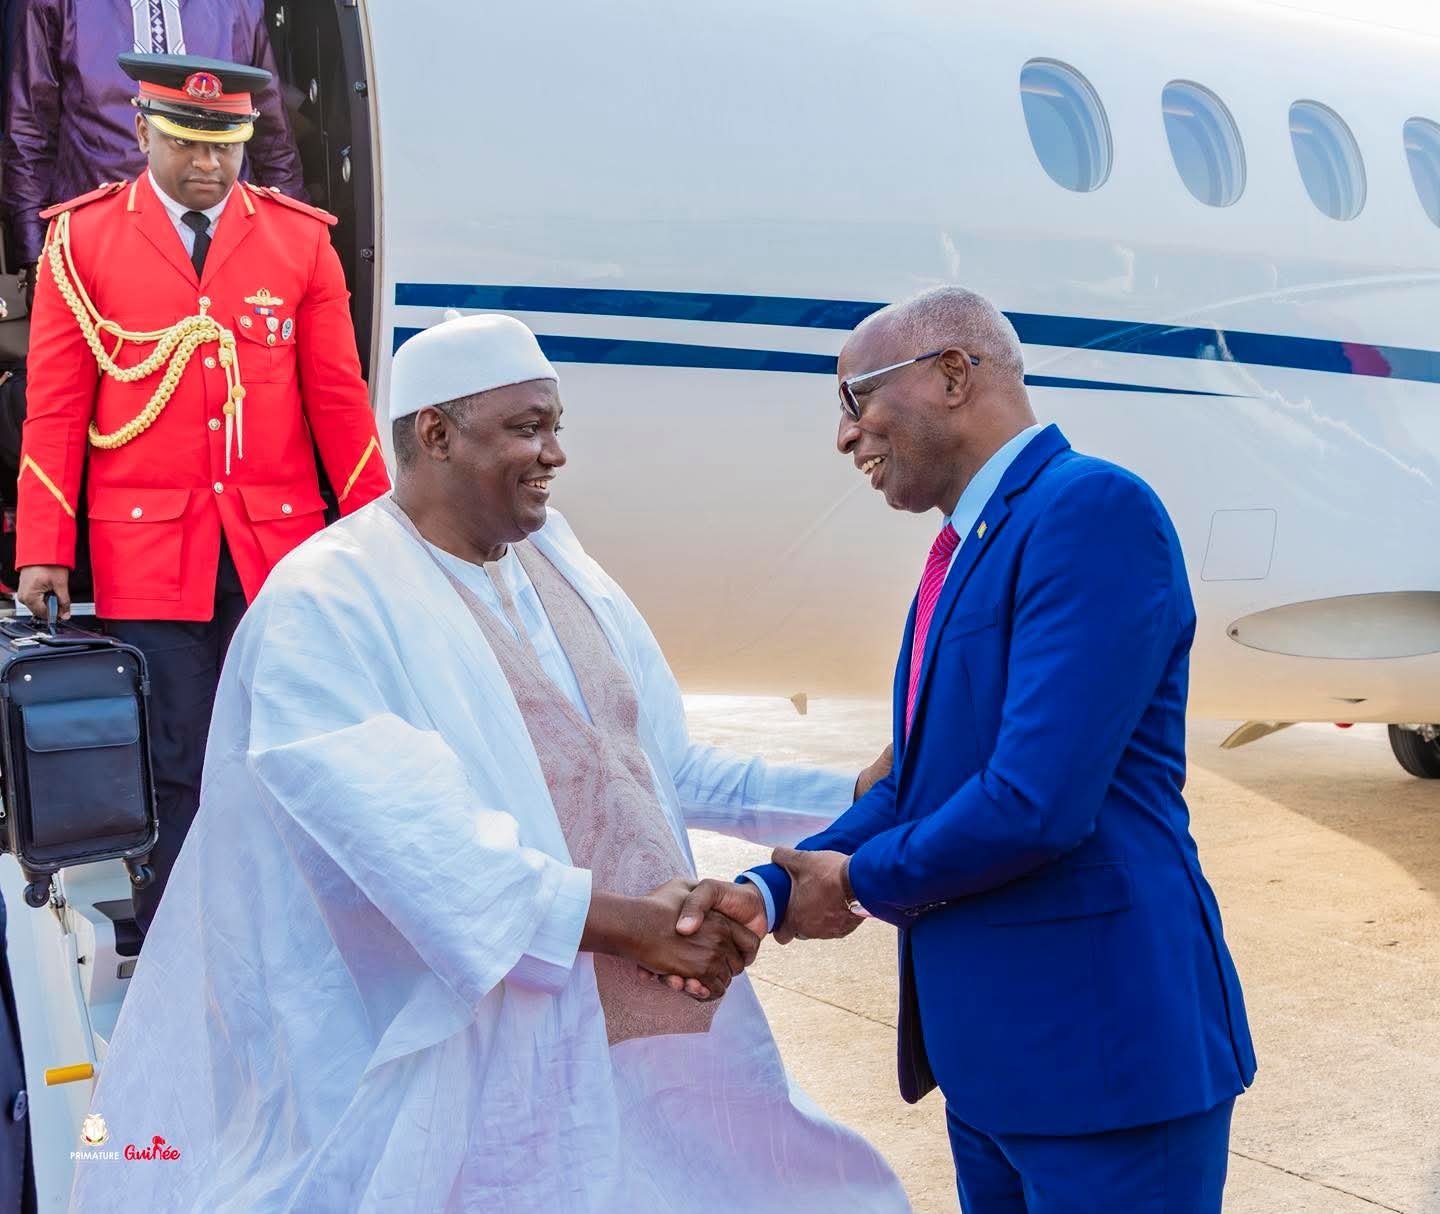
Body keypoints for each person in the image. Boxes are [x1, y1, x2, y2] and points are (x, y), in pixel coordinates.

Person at [68, 313, 908, 1213]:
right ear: (434, 433)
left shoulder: (556, 558)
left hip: (632, 1003)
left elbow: (652, 763)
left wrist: (844, 795)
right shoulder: (328, 600)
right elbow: (412, 843)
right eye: (527, 428)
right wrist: (626, 921)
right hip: (442, 1034)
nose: (554, 454)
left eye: (556, 427)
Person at [682, 286, 1257, 1212]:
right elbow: (914, 783)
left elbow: (1034, 803)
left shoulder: (1091, 510)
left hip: (1105, 1059)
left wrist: (857, 883)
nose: (845, 437)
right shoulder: (963, 546)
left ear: (954, 373)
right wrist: (771, 888)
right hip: (995, 1065)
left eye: (855, 399)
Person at [14, 53, 390, 933]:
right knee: (177, 749)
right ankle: (184, 930)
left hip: (278, 551)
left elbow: (339, 402)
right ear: (142, 131)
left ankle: (291, 922)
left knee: (287, 742)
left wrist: (378, 535)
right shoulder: (85, 239)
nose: (208, 166)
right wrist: (42, 550)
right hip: (149, 551)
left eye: (227, 146)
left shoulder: (299, 240)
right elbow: (57, 412)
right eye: (186, 144)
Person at [2, 0, 303, 290]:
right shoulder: (56, 3)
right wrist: (36, 256)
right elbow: (30, 129)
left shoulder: (238, 5)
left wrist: (292, 241)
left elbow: (270, 130)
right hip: (99, 245)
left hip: (220, 243)